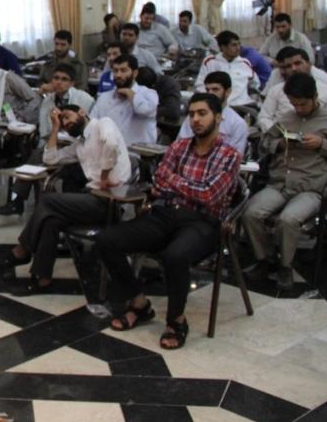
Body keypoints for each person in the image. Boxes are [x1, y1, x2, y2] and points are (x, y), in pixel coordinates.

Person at [97, 93, 241, 350]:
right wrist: (185, 186)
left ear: (218, 117)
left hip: (202, 222)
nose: (195, 119)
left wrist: (174, 182)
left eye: (202, 113)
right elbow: (159, 178)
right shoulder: (179, 146)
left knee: (175, 256)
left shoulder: (229, 155)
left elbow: (209, 195)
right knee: (107, 240)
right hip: (166, 213)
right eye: (192, 114)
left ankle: (177, 320)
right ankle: (139, 303)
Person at [0, 105, 130, 292]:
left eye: (67, 117)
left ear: (82, 112)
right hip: (92, 198)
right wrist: (55, 128)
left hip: (111, 201)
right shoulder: (79, 146)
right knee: (51, 220)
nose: (66, 122)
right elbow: (49, 159)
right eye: (62, 121)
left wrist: (105, 176)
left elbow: (111, 144)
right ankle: (43, 278)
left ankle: (22, 250)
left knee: (48, 200)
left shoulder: (103, 124)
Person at [243, 72, 327, 290]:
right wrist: (279, 144)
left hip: (310, 188)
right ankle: (265, 258)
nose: (299, 109)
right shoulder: (287, 118)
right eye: (294, 104)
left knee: (288, 219)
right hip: (279, 184)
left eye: (303, 104)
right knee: (250, 213)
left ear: (314, 97)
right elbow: (264, 143)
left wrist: (323, 144)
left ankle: (285, 266)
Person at [0, 66, 95, 217]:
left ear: (72, 83)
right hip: (53, 143)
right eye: (56, 78)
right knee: (39, 154)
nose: (59, 82)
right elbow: (43, 131)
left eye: (64, 79)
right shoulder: (48, 100)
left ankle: (18, 201)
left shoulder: (84, 99)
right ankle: (31, 203)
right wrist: (49, 143)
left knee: (37, 155)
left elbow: (85, 128)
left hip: (76, 145)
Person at [258, 47, 327, 131]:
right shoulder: (275, 91)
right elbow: (264, 118)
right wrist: (280, 133)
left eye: (298, 63)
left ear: (309, 64)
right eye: (289, 66)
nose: (293, 69)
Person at [92, 54, 159, 146]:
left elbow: (143, 110)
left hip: (138, 152)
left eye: (123, 70)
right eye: (115, 71)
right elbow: (93, 124)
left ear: (135, 73)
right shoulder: (104, 97)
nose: (118, 75)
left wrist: (129, 93)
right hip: (108, 150)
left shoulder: (149, 94)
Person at [177, 71, 248, 156]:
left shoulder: (237, 123)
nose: (210, 93)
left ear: (228, 92)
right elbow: (179, 146)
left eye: (215, 89)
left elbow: (236, 156)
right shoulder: (194, 116)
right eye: (207, 90)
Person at [196, 30, 258, 107]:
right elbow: (200, 86)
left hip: (242, 106)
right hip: (217, 106)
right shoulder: (210, 62)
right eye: (234, 45)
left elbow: (254, 84)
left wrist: (253, 99)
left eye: (239, 44)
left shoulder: (244, 63)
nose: (238, 48)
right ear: (223, 47)